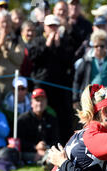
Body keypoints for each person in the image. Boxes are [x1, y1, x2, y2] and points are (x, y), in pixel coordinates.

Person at [29, 14, 75, 144]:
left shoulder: (64, 41)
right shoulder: (38, 41)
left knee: (63, 115)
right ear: (45, 27)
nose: (53, 28)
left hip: (59, 86)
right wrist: (47, 45)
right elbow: (34, 59)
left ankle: (64, 143)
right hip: (42, 84)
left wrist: (58, 46)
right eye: (50, 26)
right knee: (41, 113)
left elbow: (69, 62)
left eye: (55, 26)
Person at [0, 10, 24, 106]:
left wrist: (8, 49)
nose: (5, 24)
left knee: (11, 113)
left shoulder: (17, 40)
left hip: (12, 84)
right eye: (3, 22)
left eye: (8, 21)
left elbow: (19, 60)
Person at [73, 30, 107, 104]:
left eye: (102, 46)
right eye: (96, 46)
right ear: (93, 46)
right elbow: (77, 79)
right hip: (90, 98)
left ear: (106, 46)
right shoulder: (87, 59)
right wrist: (75, 99)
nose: (99, 48)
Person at [17, 88, 59, 165]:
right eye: (37, 100)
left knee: (52, 156)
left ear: (46, 102)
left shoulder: (51, 119)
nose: (40, 103)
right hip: (28, 152)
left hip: (48, 151)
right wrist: (35, 147)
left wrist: (46, 147)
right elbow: (19, 142)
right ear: (31, 103)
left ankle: (46, 161)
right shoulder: (22, 119)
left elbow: (56, 139)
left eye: (42, 100)